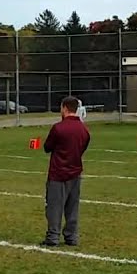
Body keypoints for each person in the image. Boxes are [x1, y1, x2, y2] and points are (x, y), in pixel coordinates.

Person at [40, 96, 91, 247]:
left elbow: (47, 147)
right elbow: (83, 147)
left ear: (65, 108)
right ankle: (71, 236)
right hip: (75, 172)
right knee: (72, 206)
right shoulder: (84, 129)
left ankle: (53, 236)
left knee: (54, 206)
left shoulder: (58, 128)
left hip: (58, 173)